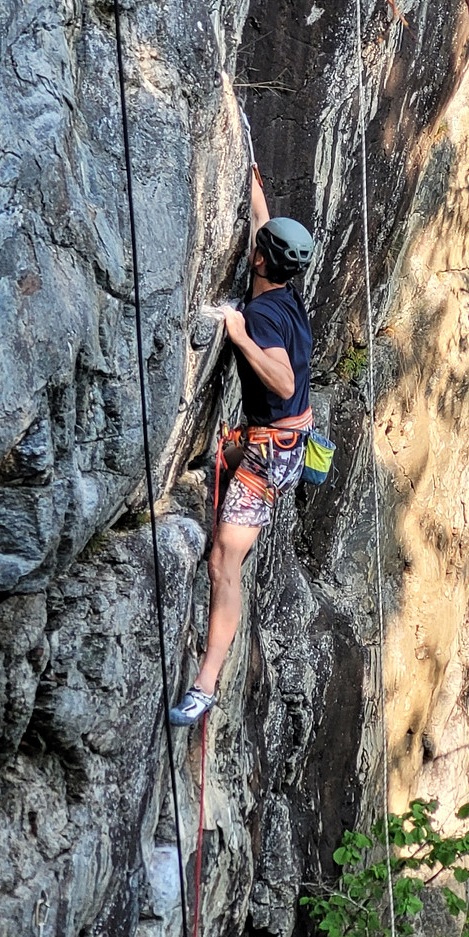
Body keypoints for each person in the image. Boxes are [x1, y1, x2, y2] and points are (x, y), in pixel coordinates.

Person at [170, 161, 314, 725]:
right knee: (215, 467)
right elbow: (265, 225)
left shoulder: (260, 316)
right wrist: (254, 183)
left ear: (258, 260)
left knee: (224, 560)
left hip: (271, 454)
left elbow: (282, 381)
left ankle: (205, 684)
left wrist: (237, 333)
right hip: (282, 440)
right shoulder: (285, 294)